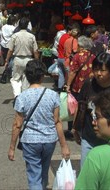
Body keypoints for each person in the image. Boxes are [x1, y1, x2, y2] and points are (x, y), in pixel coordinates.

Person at [8, 60, 70, 190]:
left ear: (27, 76)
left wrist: (12, 147)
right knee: (44, 170)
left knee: (33, 174)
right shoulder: (53, 95)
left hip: (30, 141)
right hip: (49, 140)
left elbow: (17, 125)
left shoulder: (22, 97)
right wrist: (64, 146)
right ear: (42, 76)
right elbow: (57, 121)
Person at [72, 53, 110, 166]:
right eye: (96, 70)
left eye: (102, 70)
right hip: (89, 139)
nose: (98, 74)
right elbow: (80, 106)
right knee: (86, 171)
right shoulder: (88, 84)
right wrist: (75, 128)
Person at [7, 17, 40, 97]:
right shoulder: (31, 36)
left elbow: (10, 50)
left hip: (17, 59)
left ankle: (17, 95)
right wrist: (37, 61)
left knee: (15, 78)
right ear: (27, 25)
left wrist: (7, 60)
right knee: (26, 78)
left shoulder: (15, 36)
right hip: (28, 59)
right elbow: (35, 51)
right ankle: (25, 95)